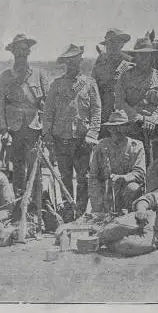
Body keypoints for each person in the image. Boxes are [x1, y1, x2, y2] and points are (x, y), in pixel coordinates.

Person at [42, 44, 101, 214]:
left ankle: (81, 211)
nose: (73, 64)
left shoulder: (89, 83)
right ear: (65, 63)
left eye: (76, 61)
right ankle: (69, 210)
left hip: (83, 139)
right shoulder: (57, 85)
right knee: (65, 177)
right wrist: (47, 133)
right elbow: (48, 111)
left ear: (80, 62)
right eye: (70, 61)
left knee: (83, 178)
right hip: (61, 138)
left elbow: (96, 110)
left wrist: (92, 133)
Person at [0, 34, 50, 193]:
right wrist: (3, 130)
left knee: (35, 166)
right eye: (18, 51)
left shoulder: (39, 74)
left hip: (34, 128)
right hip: (14, 129)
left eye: (24, 50)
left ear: (29, 52)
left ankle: (35, 201)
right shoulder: (6, 76)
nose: (21, 54)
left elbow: (48, 104)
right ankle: (19, 200)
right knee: (18, 167)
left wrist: (46, 129)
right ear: (13, 53)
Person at [114, 37, 158, 153]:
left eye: (148, 55)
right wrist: (138, 118)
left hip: (156, 126)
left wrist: (153, 120)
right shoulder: (125, 77)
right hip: (132, 125)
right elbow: (119, 102)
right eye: (141, 55)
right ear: (135, 56)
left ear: (152, 57)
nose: (145, 59)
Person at [88, 110, 146, 212]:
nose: (117, 130)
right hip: (105, 190)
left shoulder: (136, 146)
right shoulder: (101, 146)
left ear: (127, 128)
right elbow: (93, 176)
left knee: (133, 188)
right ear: (109, 128)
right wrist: (97, 201)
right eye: (113, 127)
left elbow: (140, 172)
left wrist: (123, 178)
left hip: (125, 189)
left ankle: (130, 216)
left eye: (121, 126)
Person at [92, 28, 134, 134]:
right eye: (109, 44)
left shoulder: (130, 63)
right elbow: (92, 89)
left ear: (122, 45)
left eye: (116, 43)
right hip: (104, 114)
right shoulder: (100, 65)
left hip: (126, 116)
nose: (112, 47)